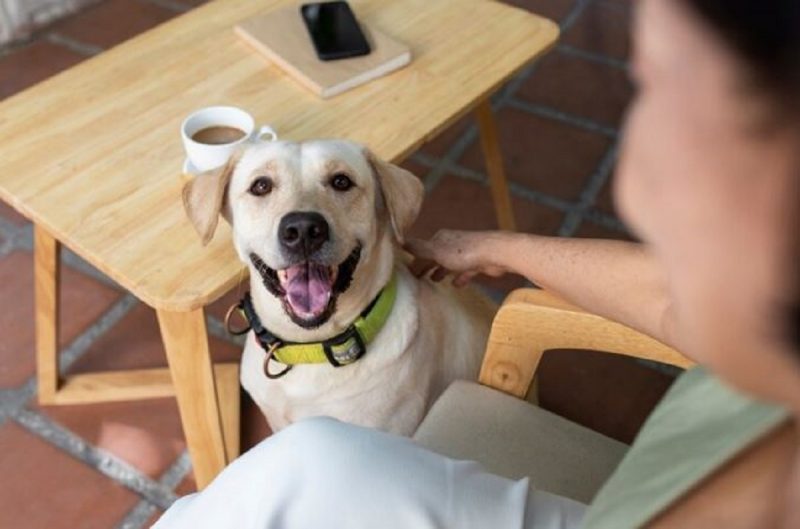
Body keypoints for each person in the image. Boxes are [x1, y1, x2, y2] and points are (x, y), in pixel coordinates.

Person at [155, 0, 800, 527]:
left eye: (660, 86)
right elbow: (670, 302)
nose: (629, 176)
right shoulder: (759, 339)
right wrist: (500, 248)